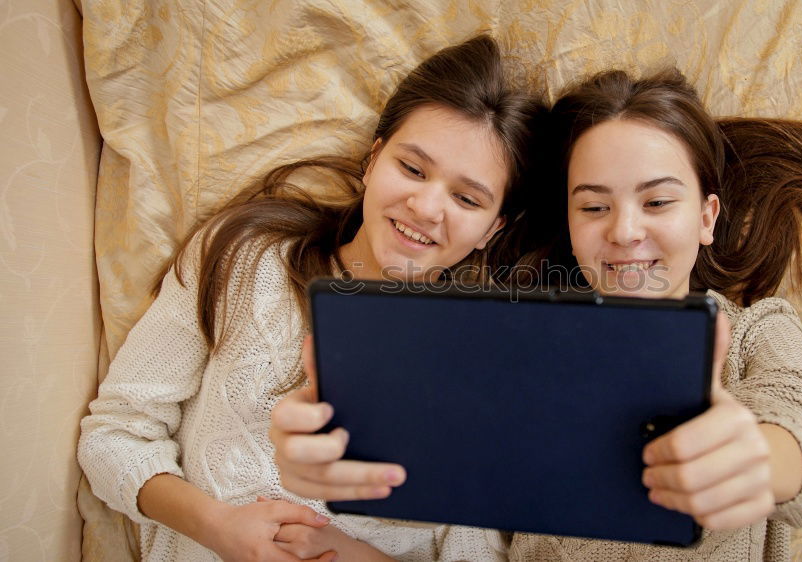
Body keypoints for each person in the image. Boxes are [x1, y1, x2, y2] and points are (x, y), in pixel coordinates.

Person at [271, 66, 802, 562]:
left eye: (657, 202)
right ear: (569, 225)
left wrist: (759, 458)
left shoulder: (758, 333)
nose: (625, 231)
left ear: (705, 216)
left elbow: (801, 415)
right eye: (594, 207)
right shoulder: (520, 348)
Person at [78, 35, 544, 562]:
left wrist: (356, 556)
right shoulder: (245, 258)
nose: (426, 205)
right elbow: (113, 434)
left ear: (493, 227)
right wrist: (217, 526)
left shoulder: (485, 365)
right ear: (373, 161)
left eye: (466, 198)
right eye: (412, 168)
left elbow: (473, 551)